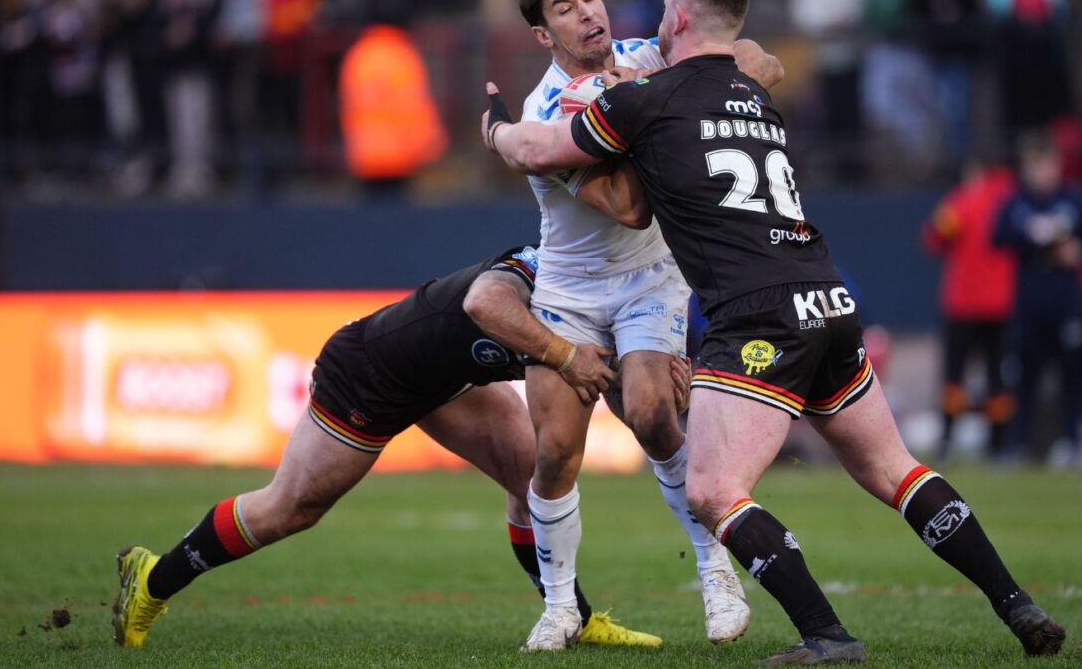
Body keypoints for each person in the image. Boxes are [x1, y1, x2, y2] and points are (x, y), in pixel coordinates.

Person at [484, 0, 1064, 665]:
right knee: (896, 470)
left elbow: (597, 184)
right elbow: (751, 62)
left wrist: (495, 131)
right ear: (544, 33)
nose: (603, 14)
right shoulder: (747, 93)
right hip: (824, 290)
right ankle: (1017, 604)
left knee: (715, 488)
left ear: (682, 22)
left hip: (756, 310)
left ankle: (823, 634)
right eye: (567, 6)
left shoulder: (643, 93)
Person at [111, 246, 684, 649]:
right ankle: (153, 580)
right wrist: (566, 357)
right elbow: (488, 307)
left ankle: (572, 619)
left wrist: (660, 375)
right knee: (291, 508)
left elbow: (616, 389)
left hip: (445, 381)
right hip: (370, 373)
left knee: (533, 472)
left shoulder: (623, 293)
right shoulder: (541, 271)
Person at [505, 0, 782, 651]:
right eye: (565, 9)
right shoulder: (548, 112)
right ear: (544, 35)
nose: (588, 13)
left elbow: (758, 60)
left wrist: (682, 85)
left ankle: (717, 570)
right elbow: (628, 206)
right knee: (555, 452)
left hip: (649, 281)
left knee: (655, 413)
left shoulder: (647, 53)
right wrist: (650, 104)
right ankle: (562, 606)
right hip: (568, 288)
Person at [993, 131, 1082, 466]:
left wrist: (1077, 250)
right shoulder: (1016, 204)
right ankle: (1019, 446)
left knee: (1071, 373)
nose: (1043, 174)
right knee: (1024, 376)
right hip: (1029, 303)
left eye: (1048, 165)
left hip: (1065, 301)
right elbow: (997, 238)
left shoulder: (1074, 201)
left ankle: (1073, 443)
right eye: (1036, 167)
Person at [921, 159, 1017, 462]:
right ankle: (999, 446)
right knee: (997, 377)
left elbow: (934, 238)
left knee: (954, 376)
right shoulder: (1010, 200)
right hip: (1001, 304)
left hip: (963, 304)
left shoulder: (962, 202)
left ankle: (947, 440)